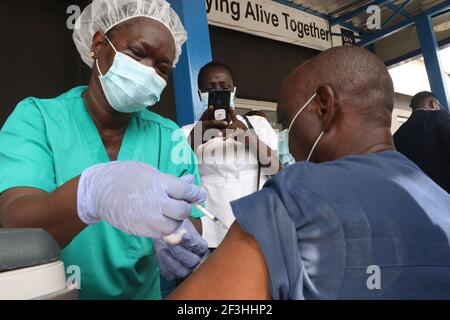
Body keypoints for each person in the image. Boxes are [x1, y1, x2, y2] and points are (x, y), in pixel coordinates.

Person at [168, 47, 450, 300]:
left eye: (287, 121)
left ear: (324, 107)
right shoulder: (440, 200)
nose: (288, 140)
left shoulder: (292, 199)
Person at [0, 0, 209, 299]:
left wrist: (178, 232)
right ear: (98, 44)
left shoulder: (169, 137)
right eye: (138, 54)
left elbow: (192, 217)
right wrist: (91, 193)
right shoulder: (38, 119)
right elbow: (17, 219)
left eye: (162, 68)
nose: (149, 72)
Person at [181, 61, 280, 248]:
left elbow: (277, 170)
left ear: (234, 91)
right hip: (213, 236)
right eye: (210, 89)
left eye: (224, 87)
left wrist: (246, 137)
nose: (217, 93)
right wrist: (197, 136)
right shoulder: (186, 133)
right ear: (199, 94)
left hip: (259, 231)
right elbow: (177, 176)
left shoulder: (257, 125)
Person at [394, 91, 450, 193]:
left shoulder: (398, 134)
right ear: (432, 104)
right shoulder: (438, 116)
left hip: (420, 196)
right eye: (439, 106)